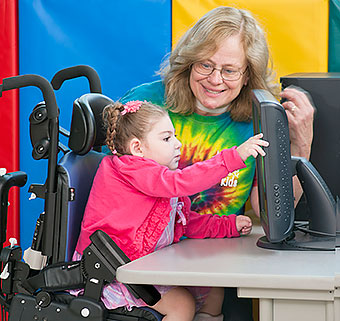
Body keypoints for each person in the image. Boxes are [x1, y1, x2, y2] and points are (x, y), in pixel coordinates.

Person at [119, 6, 315, 321]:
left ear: (248, 74)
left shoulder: (258, 117)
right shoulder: (146, 104)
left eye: (229, 70)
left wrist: (300, 145)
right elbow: (112, 188)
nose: (215, 80)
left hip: (215, 264)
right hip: (146, 262)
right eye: (206, 65)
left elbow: (271, 216)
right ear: (189, 62)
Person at [74, 100, 269, 321]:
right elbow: (183, 182)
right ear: (137, 148)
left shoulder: (157, 179)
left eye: (174, 136)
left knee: (213, 290)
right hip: (114, 272)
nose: (178, 144)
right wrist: (234, 157)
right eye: (167, 138)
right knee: (182, 306)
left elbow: (186, 222)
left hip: (143, 265)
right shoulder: (130, 169)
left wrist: (227, 225)